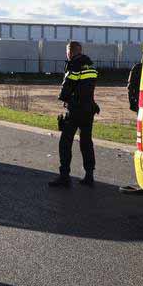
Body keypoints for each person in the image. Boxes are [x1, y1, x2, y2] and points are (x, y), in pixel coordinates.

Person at [49, 40, 98, 188]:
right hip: (89, 109)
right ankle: (89, 175)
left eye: (67, 52)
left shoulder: (73, 65)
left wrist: (63, 98)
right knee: (86, 142)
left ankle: (64, 177)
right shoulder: (90, 64)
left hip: (75, 109)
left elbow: (67, 86)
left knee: (65, 142)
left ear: (70, 52)